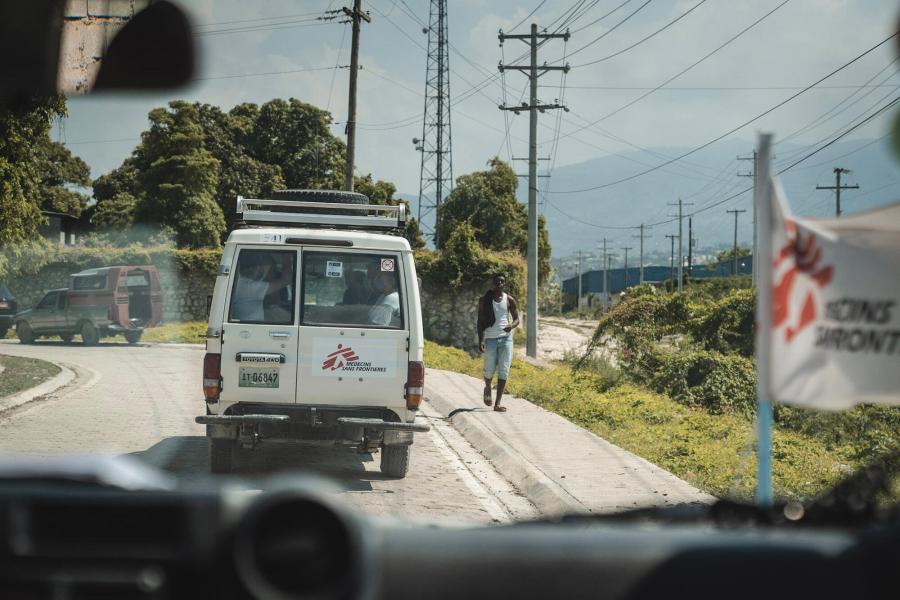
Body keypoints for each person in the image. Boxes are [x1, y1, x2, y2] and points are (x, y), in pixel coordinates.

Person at [477, 274, 520, 412]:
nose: (499, 284)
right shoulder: (484, 300)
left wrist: (511, 326)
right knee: (489, 370)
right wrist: (481, 340)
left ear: (504, 284)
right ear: (493, 283)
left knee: (504, 370)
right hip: (490, 339)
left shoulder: (510, 300)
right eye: (497, 282)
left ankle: (497, 404)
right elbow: (479, 322)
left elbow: (517, 319)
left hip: (506, 339)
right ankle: (488, 387)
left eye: (502, 281)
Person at [231, 252, 293, 322]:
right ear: (255, 268)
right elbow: (287, 279)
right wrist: (286, 256)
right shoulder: (249, 287)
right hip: (253, 328)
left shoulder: (240, 283)